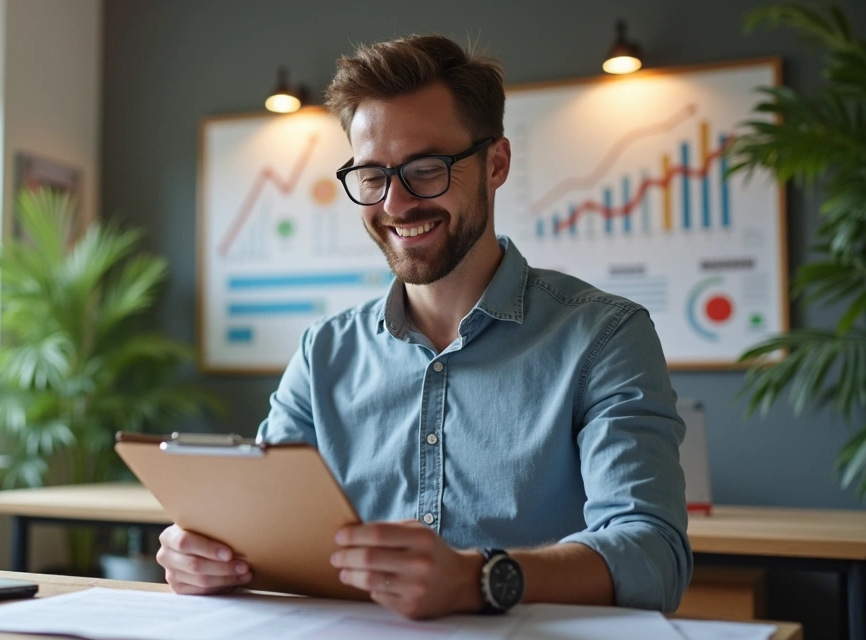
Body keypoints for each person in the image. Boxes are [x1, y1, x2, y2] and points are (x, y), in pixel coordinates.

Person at [156, 34, 691, 620]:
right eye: (372, 176)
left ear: (496, 164)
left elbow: (653, 556)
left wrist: (478, 579)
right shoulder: (323, 353)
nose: (396, 204)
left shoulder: (605, 336)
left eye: (426, 169)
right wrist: (207, 554)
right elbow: (265, 525)